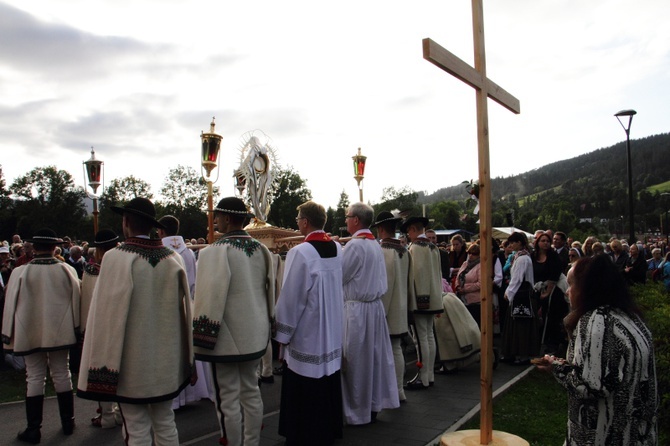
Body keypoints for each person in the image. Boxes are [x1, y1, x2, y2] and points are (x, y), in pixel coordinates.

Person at [77, 197, 195, 446]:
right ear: (151, 225)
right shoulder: (172, 258)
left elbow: (105, 317)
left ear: (126, 222)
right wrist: (188, 359)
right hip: (166, 361)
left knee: (136, 428)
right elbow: (185, 313)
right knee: (165, 423)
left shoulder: (115, 258)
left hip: (131, 365)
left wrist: (102, 368)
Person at [535, 255, 658, 445]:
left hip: (606, 434)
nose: (567, 292)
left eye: (571, 284)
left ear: (587, 288)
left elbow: (593, 386)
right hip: (636, 433)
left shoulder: (596, 321)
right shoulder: (629, 317)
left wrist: (557, 369)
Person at [192, 197, 275, 446]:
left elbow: (208, 299)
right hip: (255, 335)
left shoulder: (213, 252)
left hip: (224, 338)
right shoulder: (262, 250)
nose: (214, 219)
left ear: (227, 219)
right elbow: (270, 292)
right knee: (251, 391)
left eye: (216, 215)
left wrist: (201, 340)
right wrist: (268, 324)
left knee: (227, 397)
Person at [274, 201, 344, 446]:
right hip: (332, 329)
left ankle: (304, 433)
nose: (297, 223)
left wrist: (282, 334)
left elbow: (291, 297)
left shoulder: (300, 252)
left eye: (297, 219)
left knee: (305, 382)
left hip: (308, 331)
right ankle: (328, 429)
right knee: (327, 379)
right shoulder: (337, 248)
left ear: (305, 222)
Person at [2, 228, 81, 444]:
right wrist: (76, 327)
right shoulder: (67, 270)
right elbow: (77, 301)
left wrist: (8, 333)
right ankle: (68, 423)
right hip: (61, 332)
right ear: (55, 247)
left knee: (34, 377)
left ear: (34, 248)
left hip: (30, 331)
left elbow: (9, 305)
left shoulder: (20, 272)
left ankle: (33, 429)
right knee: (62, 373)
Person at [340, 202, 398, 424]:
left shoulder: (355, 246)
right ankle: (372, 404)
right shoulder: (374, 244)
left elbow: (340, 275)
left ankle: (356, 410)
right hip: (374, 309)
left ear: (356, 220)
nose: (345, 220)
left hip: (357, 311)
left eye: (347, 216)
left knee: (355, 362)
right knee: (373, 360)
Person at [157, 215, 215, 410]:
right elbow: (193, 284)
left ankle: (175, 398)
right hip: (188, 305)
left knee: (171, 351)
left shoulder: (160, 253)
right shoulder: (188, 253)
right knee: (188, 349)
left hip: (166, 309)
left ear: (161, 231)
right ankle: (192, 393)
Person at [81, 229, 123, 429]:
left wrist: (83, 328)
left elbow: (86, 300)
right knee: (122, 369)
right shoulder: (123, 266)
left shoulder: (91, 271)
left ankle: (107, 415)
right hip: (120, 324)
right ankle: (121, 412)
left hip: (98, 325)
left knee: (102, 370)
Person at [371, 211, 414, 403]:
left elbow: (384, 287)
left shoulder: (384, 252)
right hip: (401, 307)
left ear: (380, 229)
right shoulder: (405, 251)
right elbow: (409, 281)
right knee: (396, 349)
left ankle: (389, 391)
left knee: (385, 351)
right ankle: (398, 390)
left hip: (387, 310)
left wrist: (380, 312)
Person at [401, 215, 444, 389]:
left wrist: (418, 299)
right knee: (429, 336)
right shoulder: (433, 247)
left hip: (421, 299)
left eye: (409, 231)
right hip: (433, 297)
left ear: (412, 229)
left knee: (421, 339)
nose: (408, 235)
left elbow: (416, 275)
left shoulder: (416, 247)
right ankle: (429, 375)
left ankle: (423, 376)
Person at [502, 231, 539, 365]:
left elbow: (517, 278)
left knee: (520, 325)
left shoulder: (523, 258)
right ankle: (513, 353)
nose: (510, 245)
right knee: (516, 324)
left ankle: (522, 354)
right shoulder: (521, 256)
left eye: (513, 242)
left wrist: (509, 292)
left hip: (521, 293)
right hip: (521, 292)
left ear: (519, 243)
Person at [533, 231, 569, 356]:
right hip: (539, 287)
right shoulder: (534, 256)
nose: (546, 243)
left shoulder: (553, 257)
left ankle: (552, 345)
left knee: (552, 317)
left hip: (555, 289)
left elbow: (554, 275)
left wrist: (547, 292)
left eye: (548, 241)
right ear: (537, 243)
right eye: (543, 241)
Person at [453, 243, 483, 327]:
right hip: (462, 299)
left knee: (474, 325)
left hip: (475, 301)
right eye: (469, 253)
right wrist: (458, 286)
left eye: (474, 254)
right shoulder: (465, 264)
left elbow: (481, 284)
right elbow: (458, 277)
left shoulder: (481, 266)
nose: (471, 255)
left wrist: (465, 288)